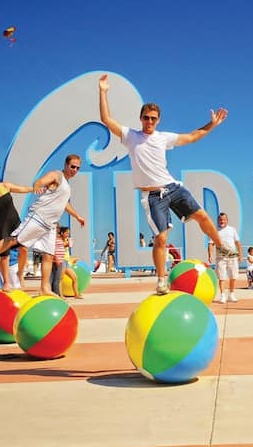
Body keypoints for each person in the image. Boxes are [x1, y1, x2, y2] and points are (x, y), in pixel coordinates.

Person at [98, 74, 230, 294]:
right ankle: (161, 280)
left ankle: (222, 248)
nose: (149, 122)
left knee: (202, 216)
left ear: (158, 120)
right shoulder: (130, 136)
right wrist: (103, 92)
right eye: (146, 118)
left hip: (173, 187)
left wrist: (212, 125)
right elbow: (106, 119)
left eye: (153, 118)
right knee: (161, 238)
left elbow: (192, 136)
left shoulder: (163, 138)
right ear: (140, 118)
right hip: (152, 196)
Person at [0, 155, 87, 297]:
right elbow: (40, 182)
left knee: (48, 254)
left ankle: (44, 288)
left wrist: (77, 216)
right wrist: (37, 187)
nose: (75, 170)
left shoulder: (66, 185)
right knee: (14, 239)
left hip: (50, 224)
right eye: (72, 166)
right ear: (66, 165)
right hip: (39, 216)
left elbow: (64, 203)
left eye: (78, 168)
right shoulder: (57, 175)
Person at [208, 212, 242, 303]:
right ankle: (223, 295)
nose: (222, 221)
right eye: (220, 219)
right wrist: (210, 255)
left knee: (233, 276)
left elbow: (237, 242)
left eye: (224, 219)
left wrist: (240, 255)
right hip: (220, 257)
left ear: (227, 220)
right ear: (218, 220)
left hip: (232, 256)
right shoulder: (214, 230)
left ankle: (231, 294)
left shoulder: (232, 230)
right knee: (222, 277)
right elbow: (211, 244)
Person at [52, 226, 82, 300]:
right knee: (60, 279)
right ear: (62, 233)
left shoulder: (67, 240)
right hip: (61, 261)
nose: (68, 234)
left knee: (74, 277)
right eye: (66, 233)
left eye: (68, 233)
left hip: (66, 262)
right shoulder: (59, 240)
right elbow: (61, 246)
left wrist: (72, 259)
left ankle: (76, 295)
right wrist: (67, 243)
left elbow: (67, 252)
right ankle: (61, 295)